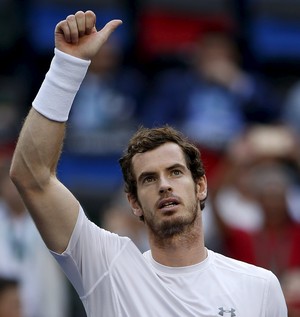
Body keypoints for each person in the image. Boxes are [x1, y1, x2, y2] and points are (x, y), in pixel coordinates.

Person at [10, 10, 287, 317]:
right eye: (148, 179)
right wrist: (67, 66)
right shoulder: (107, 269)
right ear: (134, 203)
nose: (164, 184)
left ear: (201, 185)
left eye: (176, 172)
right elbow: (31, 175)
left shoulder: (260, 286)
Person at [0, 158, 70, 317]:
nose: (14, 189)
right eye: (9, 182)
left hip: (40, 304)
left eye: (18, 183)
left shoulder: (47, 219)